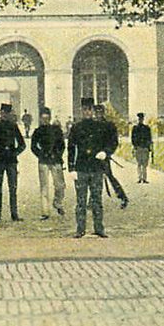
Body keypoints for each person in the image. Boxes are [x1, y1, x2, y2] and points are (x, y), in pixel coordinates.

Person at [67, 98, 110, 238]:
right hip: (81, 168)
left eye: (90, 109)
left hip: (96, 168)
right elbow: (71, 149)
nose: (87, 112)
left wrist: (105, 152)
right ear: (81, 111)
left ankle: (99, 228)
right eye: (85, 109)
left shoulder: (100, 127)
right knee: (81, 201)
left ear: (93, 111)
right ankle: (80, 229)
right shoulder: (76, 127)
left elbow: (111, 143)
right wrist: (71, 168)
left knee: (97, 199)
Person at [0, 103, 25, 222]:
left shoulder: (13, 127)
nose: (4, 115)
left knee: (12, 188)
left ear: (9, 114)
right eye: (3, 112)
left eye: (7, 113)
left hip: (11, 161)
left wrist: (14, 153)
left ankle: (14, 214)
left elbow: (22, 144)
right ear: (1, 113)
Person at [30, 107, 66, 220]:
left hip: (56, 160)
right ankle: (45, 211)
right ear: (40, 118)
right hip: (44, 161)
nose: (45, 120)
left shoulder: (56, 130)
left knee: (60, 185)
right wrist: (40, 154)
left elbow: (62, 145)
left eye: (47, 118)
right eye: (43, 118)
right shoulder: (38, 131)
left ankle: (57, 202)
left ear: (50, 118)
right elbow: (33, 146)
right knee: (44, 187)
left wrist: (58, 154)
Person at [95, 104, 128, 209]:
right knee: (93, 178)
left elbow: (113, 142)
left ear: (103, 113)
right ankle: (93, 200)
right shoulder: (91, 125)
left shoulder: (109, 125)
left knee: (109, 176)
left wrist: (106, 153)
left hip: (103, 156)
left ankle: (122, 197)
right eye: (96, 112)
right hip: (92, 156)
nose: (98, 115)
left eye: (100, 112)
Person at [131, 112, 153, 184]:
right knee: (139, 163)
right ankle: (140, 178)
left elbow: (149, 138)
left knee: (144, 164)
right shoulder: (135, 128)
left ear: (143, 119)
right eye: (139, 119)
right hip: (138, 147)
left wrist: (149, 147)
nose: (140, 120)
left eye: (141, 119)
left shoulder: (147, 128)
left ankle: (144, 178)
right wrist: (135, 146)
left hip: (145, 148)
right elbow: (133, 138)